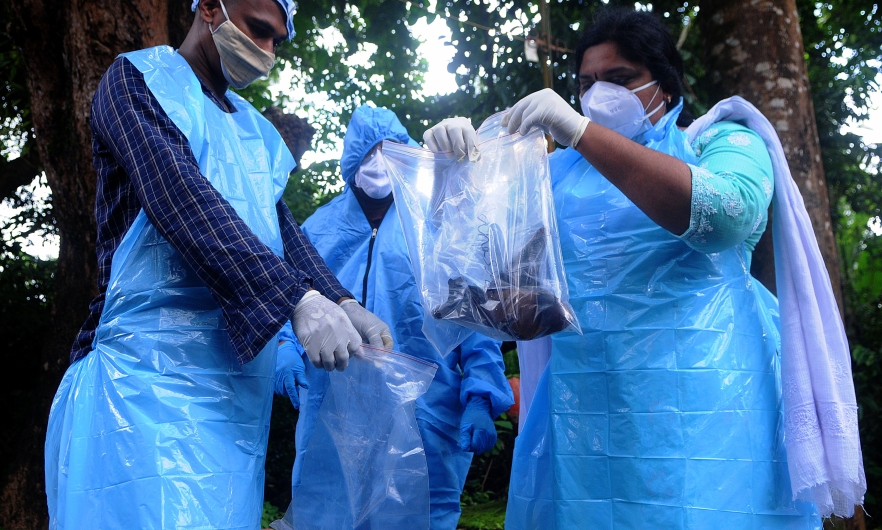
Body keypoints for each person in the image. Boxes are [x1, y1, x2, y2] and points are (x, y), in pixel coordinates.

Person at [424, 8, 864, 529]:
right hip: (587, 423)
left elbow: (725, 217)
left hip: (715, 416)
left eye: (620, 78)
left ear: (666, 86)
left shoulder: (721, 143)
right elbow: (509, 304)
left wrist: (580, 131)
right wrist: (453, 182)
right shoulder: (552, 179)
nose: (596, 96)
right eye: (586, 83)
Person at [43, 1, 393, 528]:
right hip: (142, 390)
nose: (268, 52)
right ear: (210, 7)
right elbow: (181, 198)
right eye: (258, 31)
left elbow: (281, 235)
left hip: (233, 403)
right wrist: (296, 300)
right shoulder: (136, 80)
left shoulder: (255, 133)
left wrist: (340, 299)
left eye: (278, 40)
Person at [281, 105, 514, 530]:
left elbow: (473, 313)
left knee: (419, 516)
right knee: (325, 517)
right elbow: (287, 293)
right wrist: (284, 351)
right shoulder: (317, 229)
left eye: (389, 150)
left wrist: (482, 392)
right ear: (350, 162)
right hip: (331, 413)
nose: (379, 161)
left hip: (426, 410)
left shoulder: (436, 221)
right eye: (368, 152)